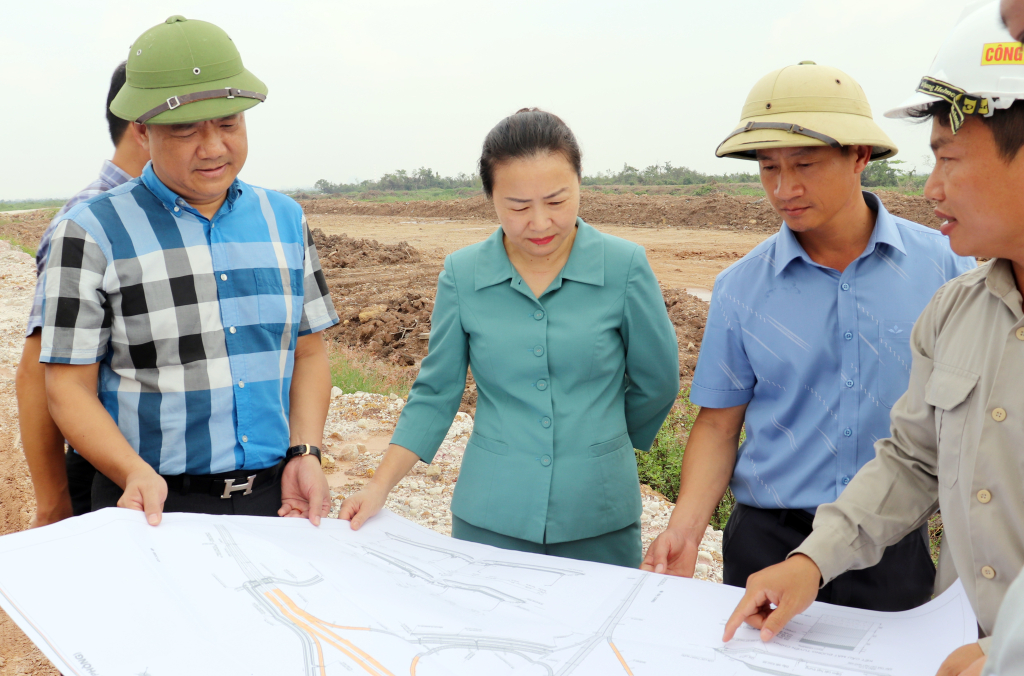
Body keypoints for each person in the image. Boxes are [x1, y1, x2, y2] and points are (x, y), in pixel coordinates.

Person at [721, 5, 1024, 676]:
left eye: (948, 158)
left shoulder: (931, 268)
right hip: (954, 636)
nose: (931, 187)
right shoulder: (957, 311)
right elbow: (912, 461)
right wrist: (811, 560)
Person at [641, 61, 974, 612]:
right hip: (768, 542)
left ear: (859, 156)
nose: (783, 188)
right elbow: (720, 426)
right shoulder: (741, 288)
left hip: (888, 542)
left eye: (805, 164)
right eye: (768, 167)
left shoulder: (944, 269)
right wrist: (684, 530)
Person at [340, 109, 680, 567]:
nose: (539, 223)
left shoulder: (624, 267)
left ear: (581, 183)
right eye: (518, 207)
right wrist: (378, 485)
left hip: (598, 515)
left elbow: (657, 380)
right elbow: (435, 393)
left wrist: (606, 438)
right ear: (491, 199)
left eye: (557, 201)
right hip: (490, 515)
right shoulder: (463, 275)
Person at [39, 15, 339, 526]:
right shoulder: (90, 232)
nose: (214, 147)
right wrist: (131, 471)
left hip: (274, 501)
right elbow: (66, 386)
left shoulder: (283, 219)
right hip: (148, 505)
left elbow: (308, 351)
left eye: (228, 124)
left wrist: (305, 451)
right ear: (142, 131)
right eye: (186, 130)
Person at [15, 61, 149, 527]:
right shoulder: (86, 222)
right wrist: (53, 502)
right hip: (110, 475)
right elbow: (38, 372)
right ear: (143, 126)